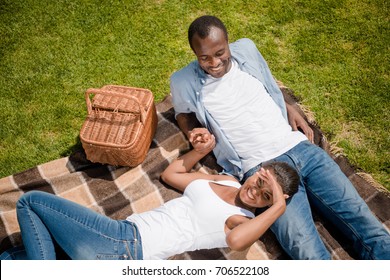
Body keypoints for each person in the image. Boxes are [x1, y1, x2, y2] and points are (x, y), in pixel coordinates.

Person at [170, 15, 390, 260]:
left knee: (366, 224)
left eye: (220, 52)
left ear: (228, 41)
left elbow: (266, 84)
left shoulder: (247, 50)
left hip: (302, 150)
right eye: (204, 57)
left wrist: (288, 107)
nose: (214, 62)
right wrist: (193, 133)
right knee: (306, 250)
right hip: (262, 171)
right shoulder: (183, 80)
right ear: (194, 53)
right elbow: (183, 114)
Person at [0, 135, 299, 260]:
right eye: (260, 181)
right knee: (12, 259)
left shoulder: (243, 220)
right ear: (258, 170)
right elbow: (172, 176)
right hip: (117, 243)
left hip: (125, 246)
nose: (255, 192)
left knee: (30, 202)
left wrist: (278, 206)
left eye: (265, 196)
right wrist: (201, 151)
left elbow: (237, 242)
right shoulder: (226, 179)